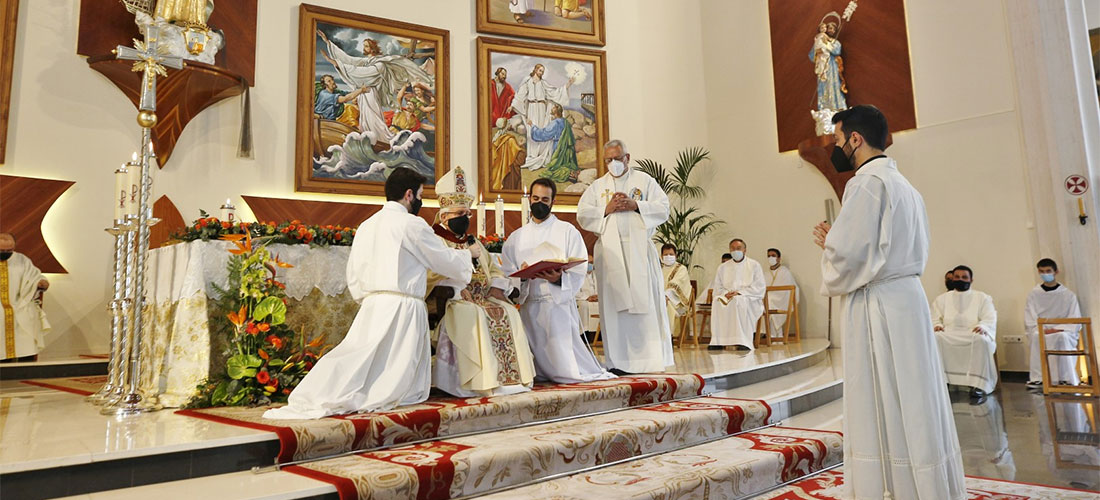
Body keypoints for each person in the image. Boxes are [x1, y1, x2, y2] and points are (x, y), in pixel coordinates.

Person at [812, 105, 965, 499]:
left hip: (878, 302)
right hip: (907, 298)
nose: (836, 147)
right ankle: (926, 485)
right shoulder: (905, 186)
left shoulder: (865, 184)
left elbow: (850, 254)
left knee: (884, 396)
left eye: (838, 139)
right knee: (914, 394)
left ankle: (890, 489)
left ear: (855, 139)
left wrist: (830, 243)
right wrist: (841, 242)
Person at [264, 168, 476, 419]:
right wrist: (468, 256)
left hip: (373, 304)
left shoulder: (367, 225)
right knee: (390, 368)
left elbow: (354, 270)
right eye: (420, 195)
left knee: (360, 355)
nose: (420, 202)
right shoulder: (411, 224)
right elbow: (441, 259)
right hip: (402, 305)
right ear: (409, 194)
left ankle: (319, 391)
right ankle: (350, 394)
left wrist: (367, 298)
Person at [429, 167, 535, 398]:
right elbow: (432, 273)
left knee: (509, 311)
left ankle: (510, 379)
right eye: (460, 213)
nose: (465, 218)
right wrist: (458, 288)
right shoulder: (435, 240)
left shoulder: (472, 240)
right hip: (456, 300)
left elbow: (493, 268)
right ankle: (480, 380)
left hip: (483, 297)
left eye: (468, 214)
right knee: (474, 315)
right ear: (444, 216)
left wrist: (496, 287)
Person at [502, 178, 614, 383]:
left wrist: (558, 279)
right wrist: (523, 278)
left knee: (565, 368)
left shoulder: (567, 231)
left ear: (553, 201)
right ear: (529, 199)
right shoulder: (516, 238)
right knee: (533, 369)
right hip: (529, 308)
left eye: (545, 200)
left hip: (557, 306)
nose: (539, 203)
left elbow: (579, 269)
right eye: (536, 198)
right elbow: (508, 273)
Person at [577, 139, 673, 374]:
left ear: (627, 158)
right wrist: (606, 209)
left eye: (617, 158)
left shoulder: (645, 181)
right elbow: (583, 214)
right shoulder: (597, 187)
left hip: (640, 252)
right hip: (611, 256)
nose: (613, 163)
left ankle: (649, 360)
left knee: (645, 303)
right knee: (614, 308)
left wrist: (636, 205)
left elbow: (663, 207)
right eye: (608, 160)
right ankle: (619, 362)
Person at [316, 29, 434, 144]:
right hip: (363, 93)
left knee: (373, 118)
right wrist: (328, 43)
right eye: (364, 46)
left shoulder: (379, 64)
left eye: (366, 46)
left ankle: (381, 141)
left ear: (372, 48)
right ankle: (368, 140)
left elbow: (361, 72)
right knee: (365, 119)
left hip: (370, 93)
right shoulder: (366, 61)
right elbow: (349, 60)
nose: (364, 48)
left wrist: (336, 63)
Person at [932, 265, 998, 400]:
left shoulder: (982, 297)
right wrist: (937, 325)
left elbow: (989, 317)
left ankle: (978, 385)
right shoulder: (942, 299)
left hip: (972, 333)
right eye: (957, 277)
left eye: (964, 277)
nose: (960, 280)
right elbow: (934, 317)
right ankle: (943, 381)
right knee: (936, 337)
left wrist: (983, 326)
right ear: (952, 279)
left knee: (981, 340)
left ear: (971, 280)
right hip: (949, 333)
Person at [1024, 258, 1082, 388]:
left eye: (1048, 271)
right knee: (1036, 336)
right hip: (1041, 330)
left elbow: (1074, 318)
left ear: (1056, 272)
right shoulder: (1034, 294)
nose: (1045, 274)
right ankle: (1039, 378)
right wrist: (1043, 329)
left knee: (1062, 337)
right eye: (1042, 271)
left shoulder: (1068, 295)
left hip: (1063, 330)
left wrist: (1058, 329)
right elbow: (1030, 319)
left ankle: (1065, 378)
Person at [512, 64, 574, 171]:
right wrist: (512, 105)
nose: (541, 73)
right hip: (531, 108)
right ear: (535, 70)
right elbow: (519, 96)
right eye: (540, 70)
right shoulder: (527, 82)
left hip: (541, 108)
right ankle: (532, 156)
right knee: (531, 131)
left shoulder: (543, 83)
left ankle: (541, 154)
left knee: (541, 128)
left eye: (543, 71)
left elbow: (554, 92)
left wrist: (567, 85)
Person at [0, 233, 50, 362]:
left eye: (9, 250)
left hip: (18, 303)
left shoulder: (22, 260)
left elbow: (35, 276)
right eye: (2, 251)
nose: (5, 253)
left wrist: (41, 282)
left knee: (28, 316)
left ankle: (26, 362)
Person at [708, 239, 765, 351]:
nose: (735, 251)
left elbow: (759, 287)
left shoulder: (754, 265)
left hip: (749, 298)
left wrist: (740, 293)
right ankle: (718, 341)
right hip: (727, 296)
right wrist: (726, 294)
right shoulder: (723, 267)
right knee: (717, 302)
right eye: (733, 249)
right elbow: (718, 287)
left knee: (738, 301)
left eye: (738, 248)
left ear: (745, 250)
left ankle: (742, 341)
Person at [528, 103, 579, 183]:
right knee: (566, 164)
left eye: (552, 109)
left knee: (556, 167)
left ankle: (568, 173)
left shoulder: (555, 123)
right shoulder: (565, 121)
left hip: (558, 147)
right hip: (567, 149)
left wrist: (532, 126)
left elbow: (544, 134)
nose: (551, 110)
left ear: (555, 113)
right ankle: (571, 173)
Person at [764, 248, 799, 339]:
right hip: (767, 299)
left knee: (769, 302)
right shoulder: (765, 274)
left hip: (782, 300)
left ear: (779, 258)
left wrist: (772, 296)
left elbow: (788, 290)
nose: (770, 258)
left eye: (773, 256)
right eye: (768, 256)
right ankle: (768, 335)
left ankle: (774, 335)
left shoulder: (785, 272)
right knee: (763, 303)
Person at [661, 244, 692, 339]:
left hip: (676, 302)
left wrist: (666, 297)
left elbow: (676, 283)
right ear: (661, 256)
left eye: (671, 254)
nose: (668, 257)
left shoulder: (681, 268)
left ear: (676, 255)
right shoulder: (658, 268)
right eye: (666, 255)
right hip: (660, 298)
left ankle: (668, 336)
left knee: (666, 306)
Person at [575, 255, 599, 337]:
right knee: (584, 305)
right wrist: (587, 297)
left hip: (596, 299)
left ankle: (598, 333)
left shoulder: (597, 274)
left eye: (591, 262)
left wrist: (597, 296)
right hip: (583, 299)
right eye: (588, 263)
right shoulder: (578, 276)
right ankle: (585, 332)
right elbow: (575, 292)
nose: (590, 265)